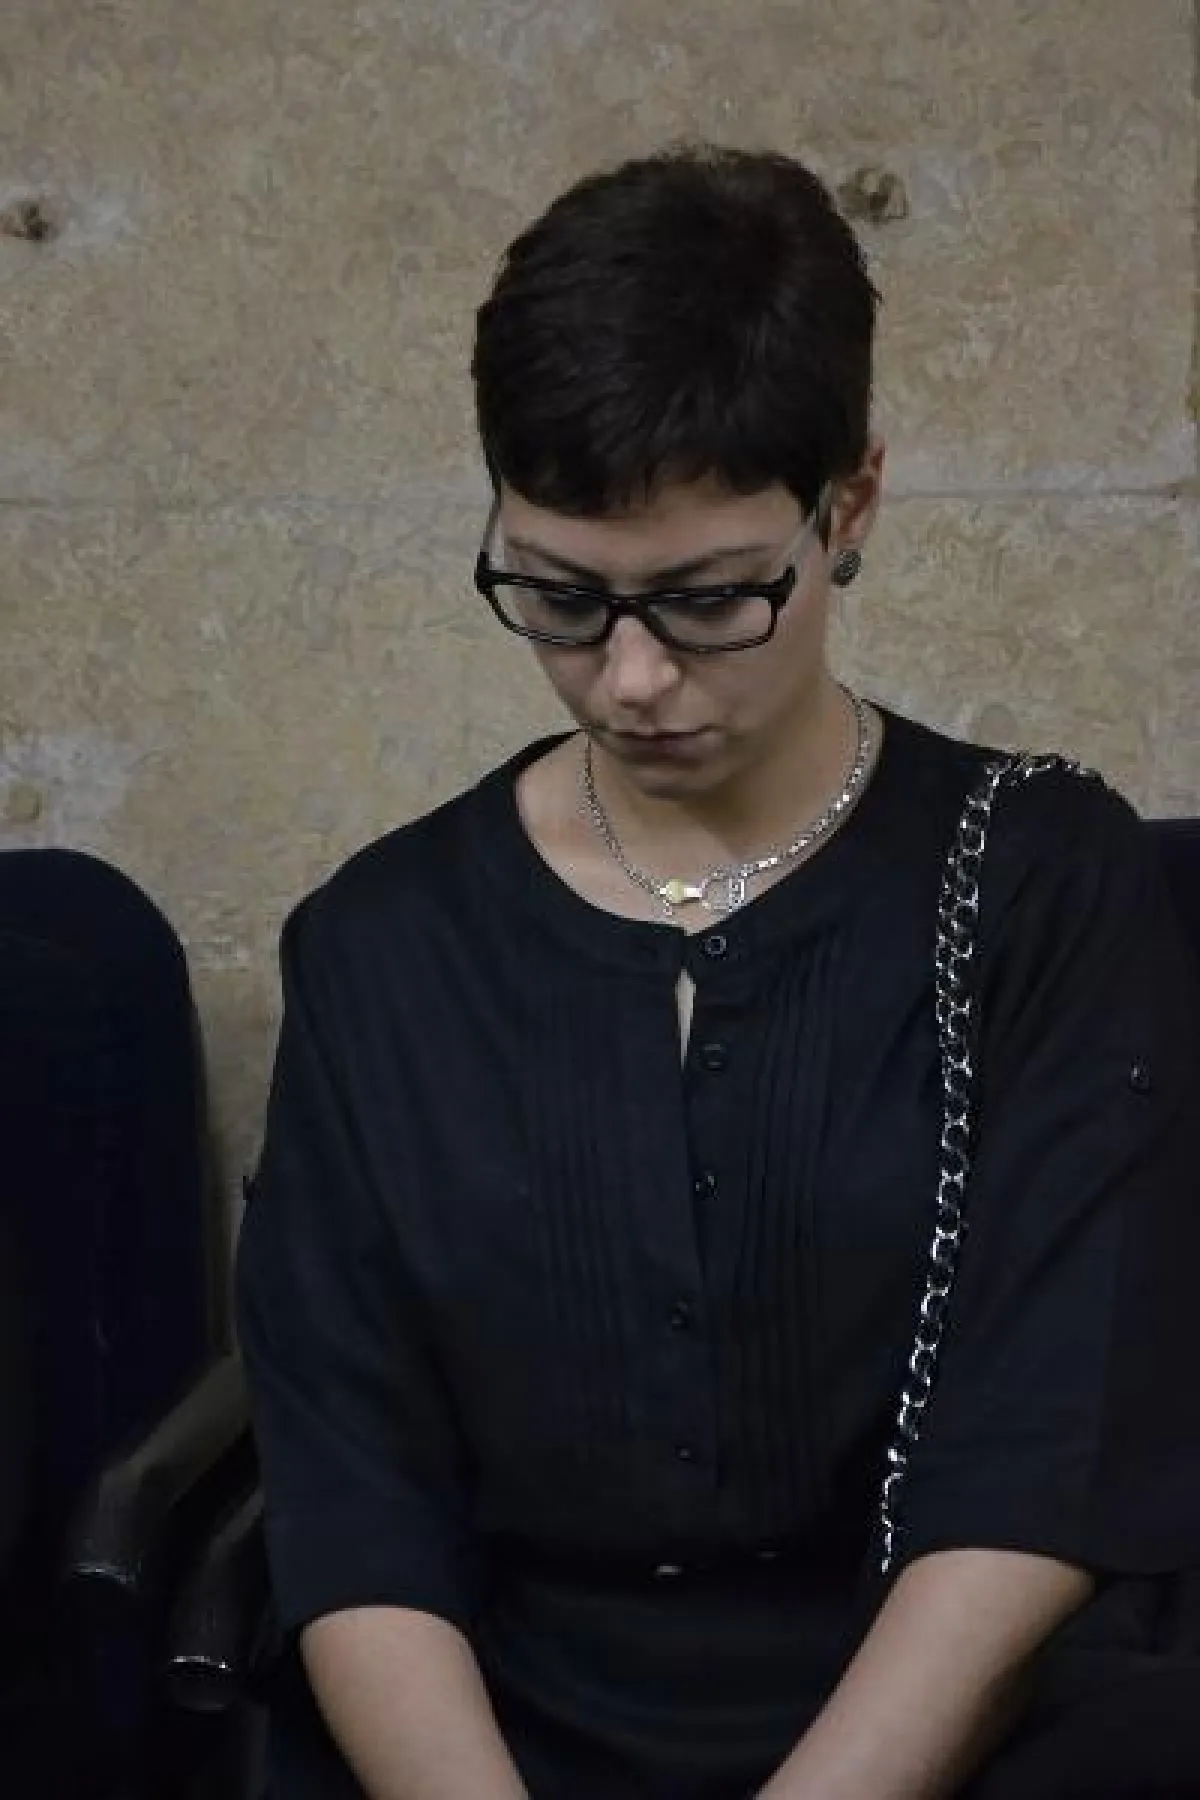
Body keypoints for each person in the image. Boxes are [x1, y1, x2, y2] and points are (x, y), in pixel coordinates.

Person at [235, 144, 1200, 1799]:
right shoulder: (380, 942)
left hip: (975, 1720)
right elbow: (356, 1492)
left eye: (707, 601)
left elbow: (1049, 1449)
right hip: (496, 1728)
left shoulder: (1040, 878)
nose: (629, 679)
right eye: (557, 597)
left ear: (851, 507)